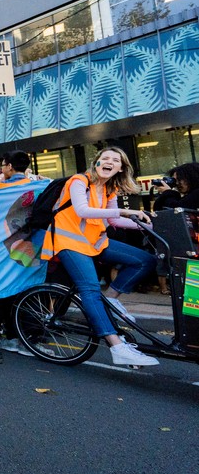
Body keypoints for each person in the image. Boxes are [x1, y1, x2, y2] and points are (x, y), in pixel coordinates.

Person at [40, 147, 159, 366]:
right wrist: (124, 211)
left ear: (120, 167)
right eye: (105, 158)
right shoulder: (79, 181)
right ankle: (117, 347)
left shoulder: (107, 189)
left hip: (94, 241)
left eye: (115, 160)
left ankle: (111, 298)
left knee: (146, 261)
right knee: (90, 290)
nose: (109, 162)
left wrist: (146, 223)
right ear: (96, 162)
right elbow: (83, 211)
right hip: (69, 242)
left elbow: (114, 222)